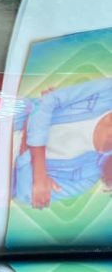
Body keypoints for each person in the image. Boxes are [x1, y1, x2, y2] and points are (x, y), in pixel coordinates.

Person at [13, 78, 112, 209]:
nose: (109, 185)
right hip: (5, 119)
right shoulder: (107, 93)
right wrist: (39, 174)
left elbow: (27, 195)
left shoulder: (86, 179)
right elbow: (48, 101)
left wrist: (28, 138)